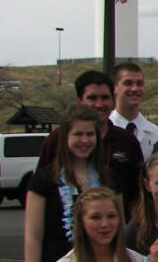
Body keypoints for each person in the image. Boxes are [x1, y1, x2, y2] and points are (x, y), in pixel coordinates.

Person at [24, 105, 120, 262]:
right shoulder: (44, 179)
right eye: (78, 134)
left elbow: (119, 229)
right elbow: (33, 236)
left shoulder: (108, 178)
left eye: (90, 134)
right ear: (65, 137)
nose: (84, 140)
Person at [37, 70, 143, 210]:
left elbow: (137, 195)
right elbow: (39, 189)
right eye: (92, 98)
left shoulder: (127, 140)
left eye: (105, 98)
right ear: (79, 101)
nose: (99, 104)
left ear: (113, 100)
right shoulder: (56, 140)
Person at [109, 62, 158, 153]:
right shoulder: (101, 133)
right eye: (128, 83)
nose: (135, 89)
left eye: (139, 84)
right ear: (114, 88)